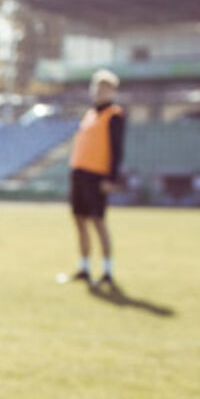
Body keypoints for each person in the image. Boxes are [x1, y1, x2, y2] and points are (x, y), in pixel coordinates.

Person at [67, 69, 125, 287]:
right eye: (96, 87)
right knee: (79, 220)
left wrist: (112, 178)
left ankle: (107, 271)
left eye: (103, 88)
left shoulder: (115, 115)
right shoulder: (90, 114)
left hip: (97, 176)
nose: (99, 92)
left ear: (112, 91)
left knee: (98, 222)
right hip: (79, 173)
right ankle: (84, 267)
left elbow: (117, 148)